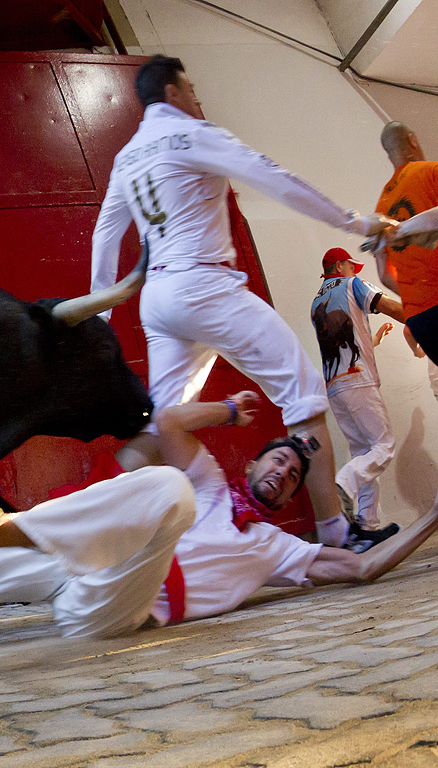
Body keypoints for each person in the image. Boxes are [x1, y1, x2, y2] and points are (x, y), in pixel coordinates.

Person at [0, 392, 438, 660]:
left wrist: (433, 518)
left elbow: (364, 567)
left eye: (290, 476)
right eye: (278, 460)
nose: (282, 474)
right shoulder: (212, 485)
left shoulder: (278, 546)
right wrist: (226, 410)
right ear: (255, 459)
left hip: (128, 603)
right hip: (77, 565)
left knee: (165, 490)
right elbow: (167, 420)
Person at [87, 54, 395, 550]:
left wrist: (101, 314)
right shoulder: (194, 134)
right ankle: (338, 533)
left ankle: (93, 520)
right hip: (206, 288)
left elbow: (106, 234)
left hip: (159, 301)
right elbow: (277, 180)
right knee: (304, 392)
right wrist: (358, 223)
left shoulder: (127, 157)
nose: (197, 98)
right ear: (171, 93)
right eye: (191, 89)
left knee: (165, 421)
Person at [311, 248, 405, 534]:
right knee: (383, 446)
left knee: (363, 452)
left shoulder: (317, 301)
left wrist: (372, 340)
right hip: (359, 381)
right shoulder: (352, 284)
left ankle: (366, 525)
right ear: (341, 265)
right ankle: (344, 483)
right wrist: (424, 318)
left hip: (335, 387)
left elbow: (343, 343)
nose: (355, 271)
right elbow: (390, 306)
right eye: (352, 266)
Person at [370, 122, 438, 365]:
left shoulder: (380, 209)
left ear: (389, 154)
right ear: (412, 140)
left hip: (420, 320)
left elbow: (385, 276)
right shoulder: (431, 172)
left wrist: (417, 294)